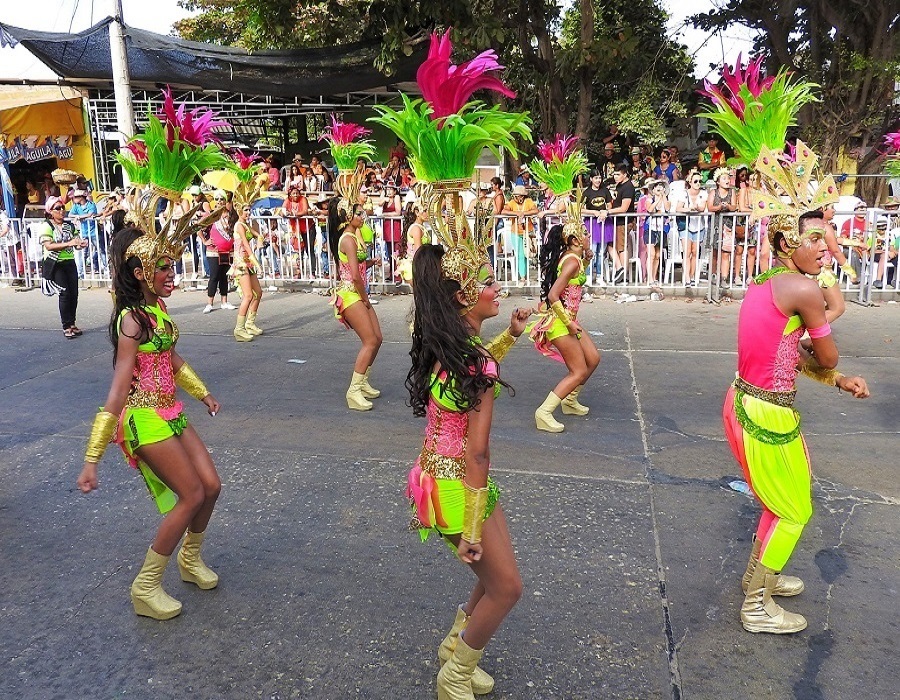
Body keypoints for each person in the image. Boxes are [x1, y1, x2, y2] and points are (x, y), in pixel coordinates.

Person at [723, 209, 870, 635]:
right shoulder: (805, 289)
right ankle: (755, 606)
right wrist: (834, 363)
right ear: (788, 244)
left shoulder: (765, 281)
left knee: (781, 503)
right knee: (794, 511)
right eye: (815, 239)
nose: (826, 248)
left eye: (827, 239)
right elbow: (826, 355)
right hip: (765, 413)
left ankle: (759, 577)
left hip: (745, 401)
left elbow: (785, 354)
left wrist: (838, 382)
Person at [77, 225, 222, 620]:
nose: (172, 273)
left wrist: (202, 392)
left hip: (171, 410)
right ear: (140, 272)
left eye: (172, 266)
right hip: (143, 417)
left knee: (211, 485)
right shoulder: (131, 321)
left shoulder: (156, 310)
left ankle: (189, 560)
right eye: (164, 267)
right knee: (190, 494)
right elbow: (118, 387)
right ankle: (145, 586)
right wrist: (92, 458)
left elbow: (171, 357)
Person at [406, 240, 531, 699]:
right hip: (459, 484)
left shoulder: (452, 344)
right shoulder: (472, 358)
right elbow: (478, 453)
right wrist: (473, 530)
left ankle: (454, 646)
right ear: (463, 295)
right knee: (507, 588)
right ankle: (454, 676)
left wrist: (512, 335)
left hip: (437, 477)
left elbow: (478, 371)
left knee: (494, 579)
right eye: (487, 282)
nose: (497, 289)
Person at [530, 222, 601, 432]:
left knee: (593, 359)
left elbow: (574, 281)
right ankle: (544, 412)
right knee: (578, 371)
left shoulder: (574, 259)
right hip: (562, 323)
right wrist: (569, 323)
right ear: (575, 241)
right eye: (585, 233)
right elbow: (553, 295)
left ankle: (569, 400)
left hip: (570, 320)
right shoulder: (571, 262)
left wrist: (587, 260)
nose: (589, 235)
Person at [328, 189, 383, 410]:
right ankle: (353, 391)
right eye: (358, 213)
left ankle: (363, 382)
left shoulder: (353, 237)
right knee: (370, 341)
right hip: (352, 294)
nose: (363, 216)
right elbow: (356, 276)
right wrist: (365, 299)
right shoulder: (348, 240)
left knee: (378, 338)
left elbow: (357, 267)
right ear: (347, 217)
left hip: (358, 292)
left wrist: (371, 262)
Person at [38, 196, 87, 338]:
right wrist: (69, 244)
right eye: (57, 208)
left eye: (62, 208)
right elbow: (48, 245)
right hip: (55, 263)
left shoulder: (69, 226)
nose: (61, 211)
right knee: (64, 294)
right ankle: (66, 325)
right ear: (50, 211)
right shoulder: (47, 225)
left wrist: (80, 244)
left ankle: (72, 323)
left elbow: (76, 243)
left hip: (69, 261)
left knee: (74, 294)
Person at [230, 202, 265, 341]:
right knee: (248, 295)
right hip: (241, 263)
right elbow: (244, 243)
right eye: (246, 210)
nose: (248, 212)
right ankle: (239, 329)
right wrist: (254, 259)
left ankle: (249, 324)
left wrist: (259, 238)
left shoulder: (245, 224)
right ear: (239, 211)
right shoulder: (239, 225)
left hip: (248, 262)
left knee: (258, 293)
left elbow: (258, 235)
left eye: (249, 210)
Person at [199, 202, 237, 313]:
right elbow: (198, 228)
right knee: (214, 277)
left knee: (224, 276)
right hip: (214, 252)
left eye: (222, 199)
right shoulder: (211, 217)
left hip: (227, 252)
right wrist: (204, 241)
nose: (219, 201)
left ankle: (224, 301)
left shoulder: (231, 216)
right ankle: (209, 303)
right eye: (217, 199)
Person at [676, 170, 708, 286]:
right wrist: (689, 209)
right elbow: (678, 208)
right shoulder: (683, 193)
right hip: (686, 225)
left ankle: (692, 276)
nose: (698, 183)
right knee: (687, 251)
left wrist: (696, 207)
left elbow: (702, 207)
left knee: (695, 252)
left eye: (700, 181)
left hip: (699, 225)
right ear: (690, 182)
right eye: (695, 181)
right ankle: (687, 277)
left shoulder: (703, 193)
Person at [708, 167, 737, 289]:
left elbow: (735, 206)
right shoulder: (713, 192)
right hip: (715, 224)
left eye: (728, 178)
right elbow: (710, 207)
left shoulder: (732, 192)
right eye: (724, 178)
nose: (727, 180)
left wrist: (728, 206)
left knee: (726, 252)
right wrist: (719, 206)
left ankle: (724, 278)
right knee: (715, 252)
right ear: (718, 181)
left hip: (728, 224)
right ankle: (714, 275)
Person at [501, 185, 538, 282]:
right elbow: (504, 211)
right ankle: (523, 277)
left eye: (517, 196)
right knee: (520, 254)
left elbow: (535, 210)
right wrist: (516, 214)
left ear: (522, 196)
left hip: (528, 231)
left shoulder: (528, 201)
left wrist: (524, 213)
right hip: (515, 232)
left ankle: (525, 275)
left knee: (529, 254)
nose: (515, 198)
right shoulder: (512, 203)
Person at [581, 171, 612, 282]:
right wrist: (592, 212)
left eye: (600, 178)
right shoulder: (587, 192)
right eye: (596, 178)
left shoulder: (605, 191)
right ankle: (588, 275)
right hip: (592, 223)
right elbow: (580, 209)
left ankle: (599, 275)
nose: (598, 180)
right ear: (591, 179)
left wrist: (605, 211)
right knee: (592, 250)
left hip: (604, 223)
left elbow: (609, 205)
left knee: (601, 252)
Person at [607, 165, 636, 284]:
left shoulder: (628, 187)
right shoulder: (619, 186)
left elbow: (624, 208)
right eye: (614, 174)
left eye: (618, 174)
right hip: (617, 221)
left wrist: (608, 211)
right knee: (611, 245)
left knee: (621, 247)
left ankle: (623, 273)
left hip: (623, 221)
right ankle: (620, 269)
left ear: (625, 175)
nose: (615, 177)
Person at [397, 198, 429, 286]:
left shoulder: (421, 227)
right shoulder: (416, 229)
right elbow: (419, 251)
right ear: (417, 212)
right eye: (425, 211)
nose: (427, 214)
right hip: (416, 266)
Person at [644, 179, 669, 285]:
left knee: (658, 255)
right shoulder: (649, 199)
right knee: (651, 254)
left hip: (662, 229)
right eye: (657, 187)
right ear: (653, 190)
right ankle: (649, 278)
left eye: (661, 186)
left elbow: (668, 208)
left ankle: (654, 278)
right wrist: (657, 201)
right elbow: (650, 209)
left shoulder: (667, 200)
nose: (659, 188)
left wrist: (663, 197)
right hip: (650, 228)